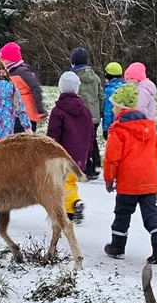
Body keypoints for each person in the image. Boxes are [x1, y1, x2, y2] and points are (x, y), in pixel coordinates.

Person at [103, 83, 157, 263]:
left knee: (122, 214)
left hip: (128, 183)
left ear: (122, 107)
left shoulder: (118, 131)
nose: (113, 108)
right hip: (149, 181)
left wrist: (109, 179)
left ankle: (117, 245)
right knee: (152, 214)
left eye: (114, 105)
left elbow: (112, 159)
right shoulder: (149, 128)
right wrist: (149, 169)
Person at [47, 71, 94, 225]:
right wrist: (88, 152)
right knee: (70, 183)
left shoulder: (58, 111)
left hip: (63, 157)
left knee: (62, 184)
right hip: (80, 156)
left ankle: (74, 204)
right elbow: (91, 134)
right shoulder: (86, 112)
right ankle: (70, 211)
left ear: (60, 88)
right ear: (77, 89)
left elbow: (53, 136)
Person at [70, 48, 104, 180]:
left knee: (82, 141)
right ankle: (96, 164)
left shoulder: (73, 77)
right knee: (92, 139)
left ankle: (87, 167)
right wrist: (99, 111)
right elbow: (100, 96)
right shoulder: (95, 77)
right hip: (94, 115)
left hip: (80, 115)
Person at [0, 41, 45, 132]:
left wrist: (39, 108)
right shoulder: (9, 73)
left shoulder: (21, 72)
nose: (1, 61)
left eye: (3, 59)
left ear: (11, 59)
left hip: (24, 116)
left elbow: (35, 88)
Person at [102, 61, 125, 141]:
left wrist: (106, 128)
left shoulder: (108, 90)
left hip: (114, 126)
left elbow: (107, 111)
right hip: (126, 124)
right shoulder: (127, 88)